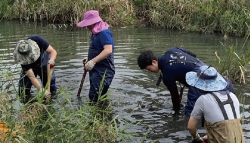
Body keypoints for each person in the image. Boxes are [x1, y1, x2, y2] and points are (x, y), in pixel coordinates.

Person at [137, 47, 234, 115]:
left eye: (148, 68)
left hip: (199, 82)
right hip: (212, 73)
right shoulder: (172, 50)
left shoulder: (167, 74)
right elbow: (193, 55)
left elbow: (174, 96)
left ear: (154, 62)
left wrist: (176, 111)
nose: (149, 71)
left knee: (189, 113)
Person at [186, 66, 244, 143]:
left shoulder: (203, 99)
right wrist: (208, 136)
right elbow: (227, 128)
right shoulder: (232, 96)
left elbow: (191, 127)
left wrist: (197, 138)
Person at [77, 10, 115, 104]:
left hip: (104, 71)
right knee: (96, 96)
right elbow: (97, 48)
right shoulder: (95, 33)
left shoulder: (103, 33)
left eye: (88, 24)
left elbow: (108, 50)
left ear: (94, 22)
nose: (86, 26)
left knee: (95, 96)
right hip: (96, 70)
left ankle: (101, 116)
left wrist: (93, 61)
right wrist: (88, 58)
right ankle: (99, 115)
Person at [13, 35, 57, 103]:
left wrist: (51, 60)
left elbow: (53, 51)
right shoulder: (22, 58)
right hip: (30, 68)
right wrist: (41, 90)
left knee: (52, 90)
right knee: (23, 92)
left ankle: (50, 105)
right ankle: (28, 106)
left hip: (45, 63)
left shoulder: (37, 39)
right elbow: (32, 77)